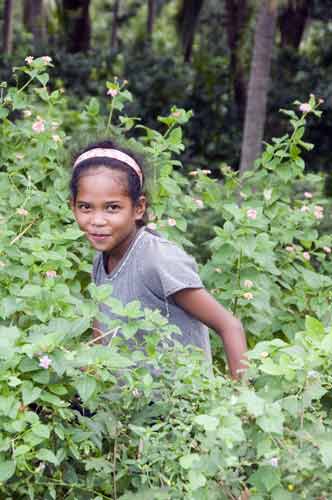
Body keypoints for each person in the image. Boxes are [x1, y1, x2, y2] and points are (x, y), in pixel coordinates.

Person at [70, 139, 247, 379]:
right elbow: (101, 343)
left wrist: (241, 404)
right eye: (86, 207)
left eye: (112, 208)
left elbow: (229, 326)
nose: (98, 220)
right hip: (123, 406)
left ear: (138, 208)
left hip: (177, 407)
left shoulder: (157, 260)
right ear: (73, 207)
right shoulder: (100, 262)